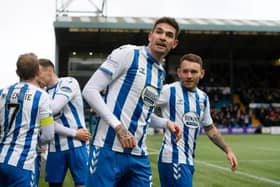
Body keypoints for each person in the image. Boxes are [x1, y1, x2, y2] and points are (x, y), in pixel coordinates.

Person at [82, 17, 182, 187]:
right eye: (159, 32)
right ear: (150, 36)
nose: (163, 37)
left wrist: (166, 123)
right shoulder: (129, 53)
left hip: (138, 155)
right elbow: (89, 90)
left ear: (174, 43)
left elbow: (143, 114)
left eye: (169, 35)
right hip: (108, 149)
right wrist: (119, 127)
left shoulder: (160, 74)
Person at [156, 53, 238, 187]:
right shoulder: (168, 91)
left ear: (202, 73)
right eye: (185, 71)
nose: (189, 76)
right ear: (179, 72)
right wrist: (161, 121)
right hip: (173, 159)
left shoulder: (203, 98)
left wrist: (228, 150)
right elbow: (143, 106)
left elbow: (210, 129)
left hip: (188, 161)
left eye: (193, 72)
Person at [0, 53, 55, 187]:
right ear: (38, 71)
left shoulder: (2, 92)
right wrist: (36, 142)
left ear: (17, 72)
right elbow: (48, 135)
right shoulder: (42, 96)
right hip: (23, 162)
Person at [38, 59, 91, 187]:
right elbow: (45, 122)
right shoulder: (42, 92)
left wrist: (39, 107)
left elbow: (54, 108)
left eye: (38, 73)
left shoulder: (69, 82)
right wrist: (73, 133)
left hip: (77, 145)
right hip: (55, 146)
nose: (36, 77)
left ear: (50, 70)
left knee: (82, 183)